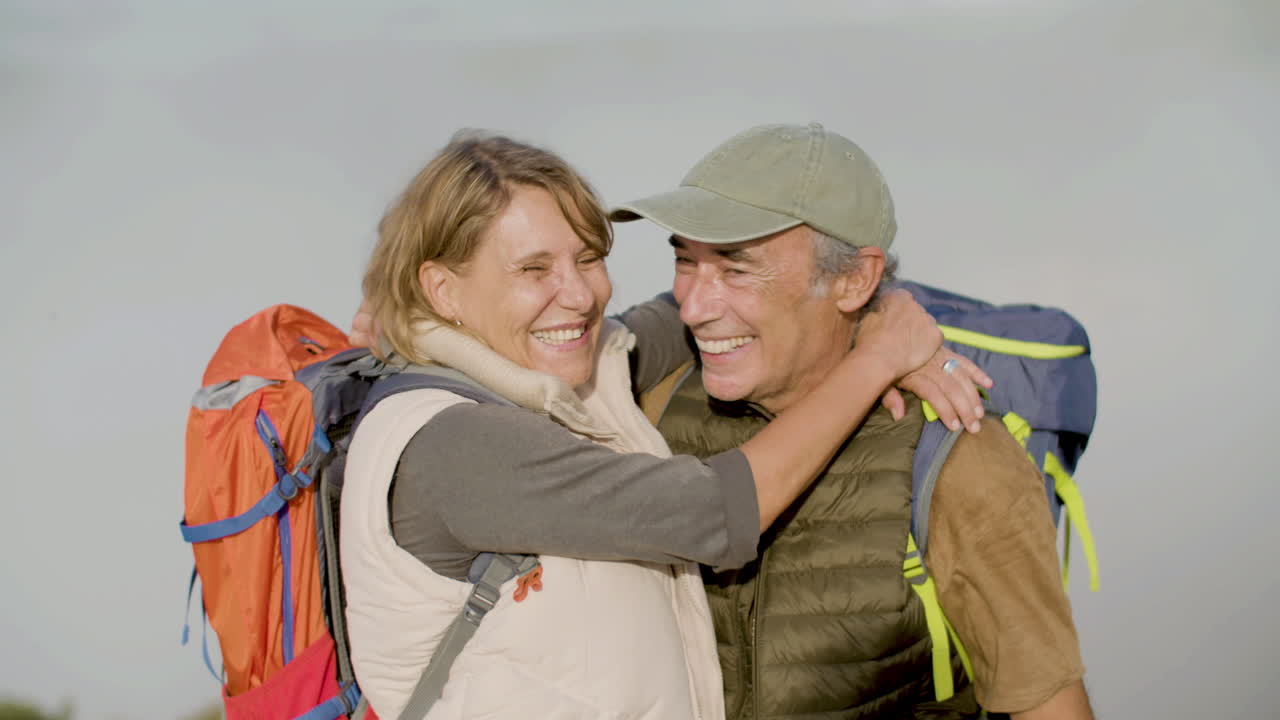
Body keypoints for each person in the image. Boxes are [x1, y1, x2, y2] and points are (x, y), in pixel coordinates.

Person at [339, 132, 988, 720]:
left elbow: (711, 309)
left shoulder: (573, 370)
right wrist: (877, 360)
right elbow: (718, 512)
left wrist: (869, 308)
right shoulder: (455, 446)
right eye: (533, 270)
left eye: (588, 258)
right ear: (443, 290)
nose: (580, 295)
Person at [609, 122, 1093, 720]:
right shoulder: (649, 407)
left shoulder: (955, 457)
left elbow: (1048, 708)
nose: (694, 305)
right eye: (685, 261)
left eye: (736, 269)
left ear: (854, 279)